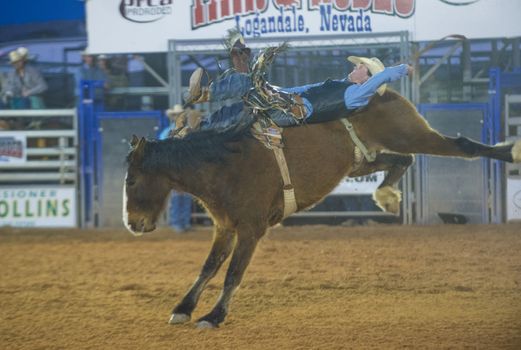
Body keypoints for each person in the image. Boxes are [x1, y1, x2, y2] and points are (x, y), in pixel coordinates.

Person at [159, 104, 194, 233]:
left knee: (185, 196)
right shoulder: (167, 133)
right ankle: (177, 222)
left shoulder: (187, 132)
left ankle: (184, 222)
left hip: (185, 168)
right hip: (173, 168)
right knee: (176, 197)